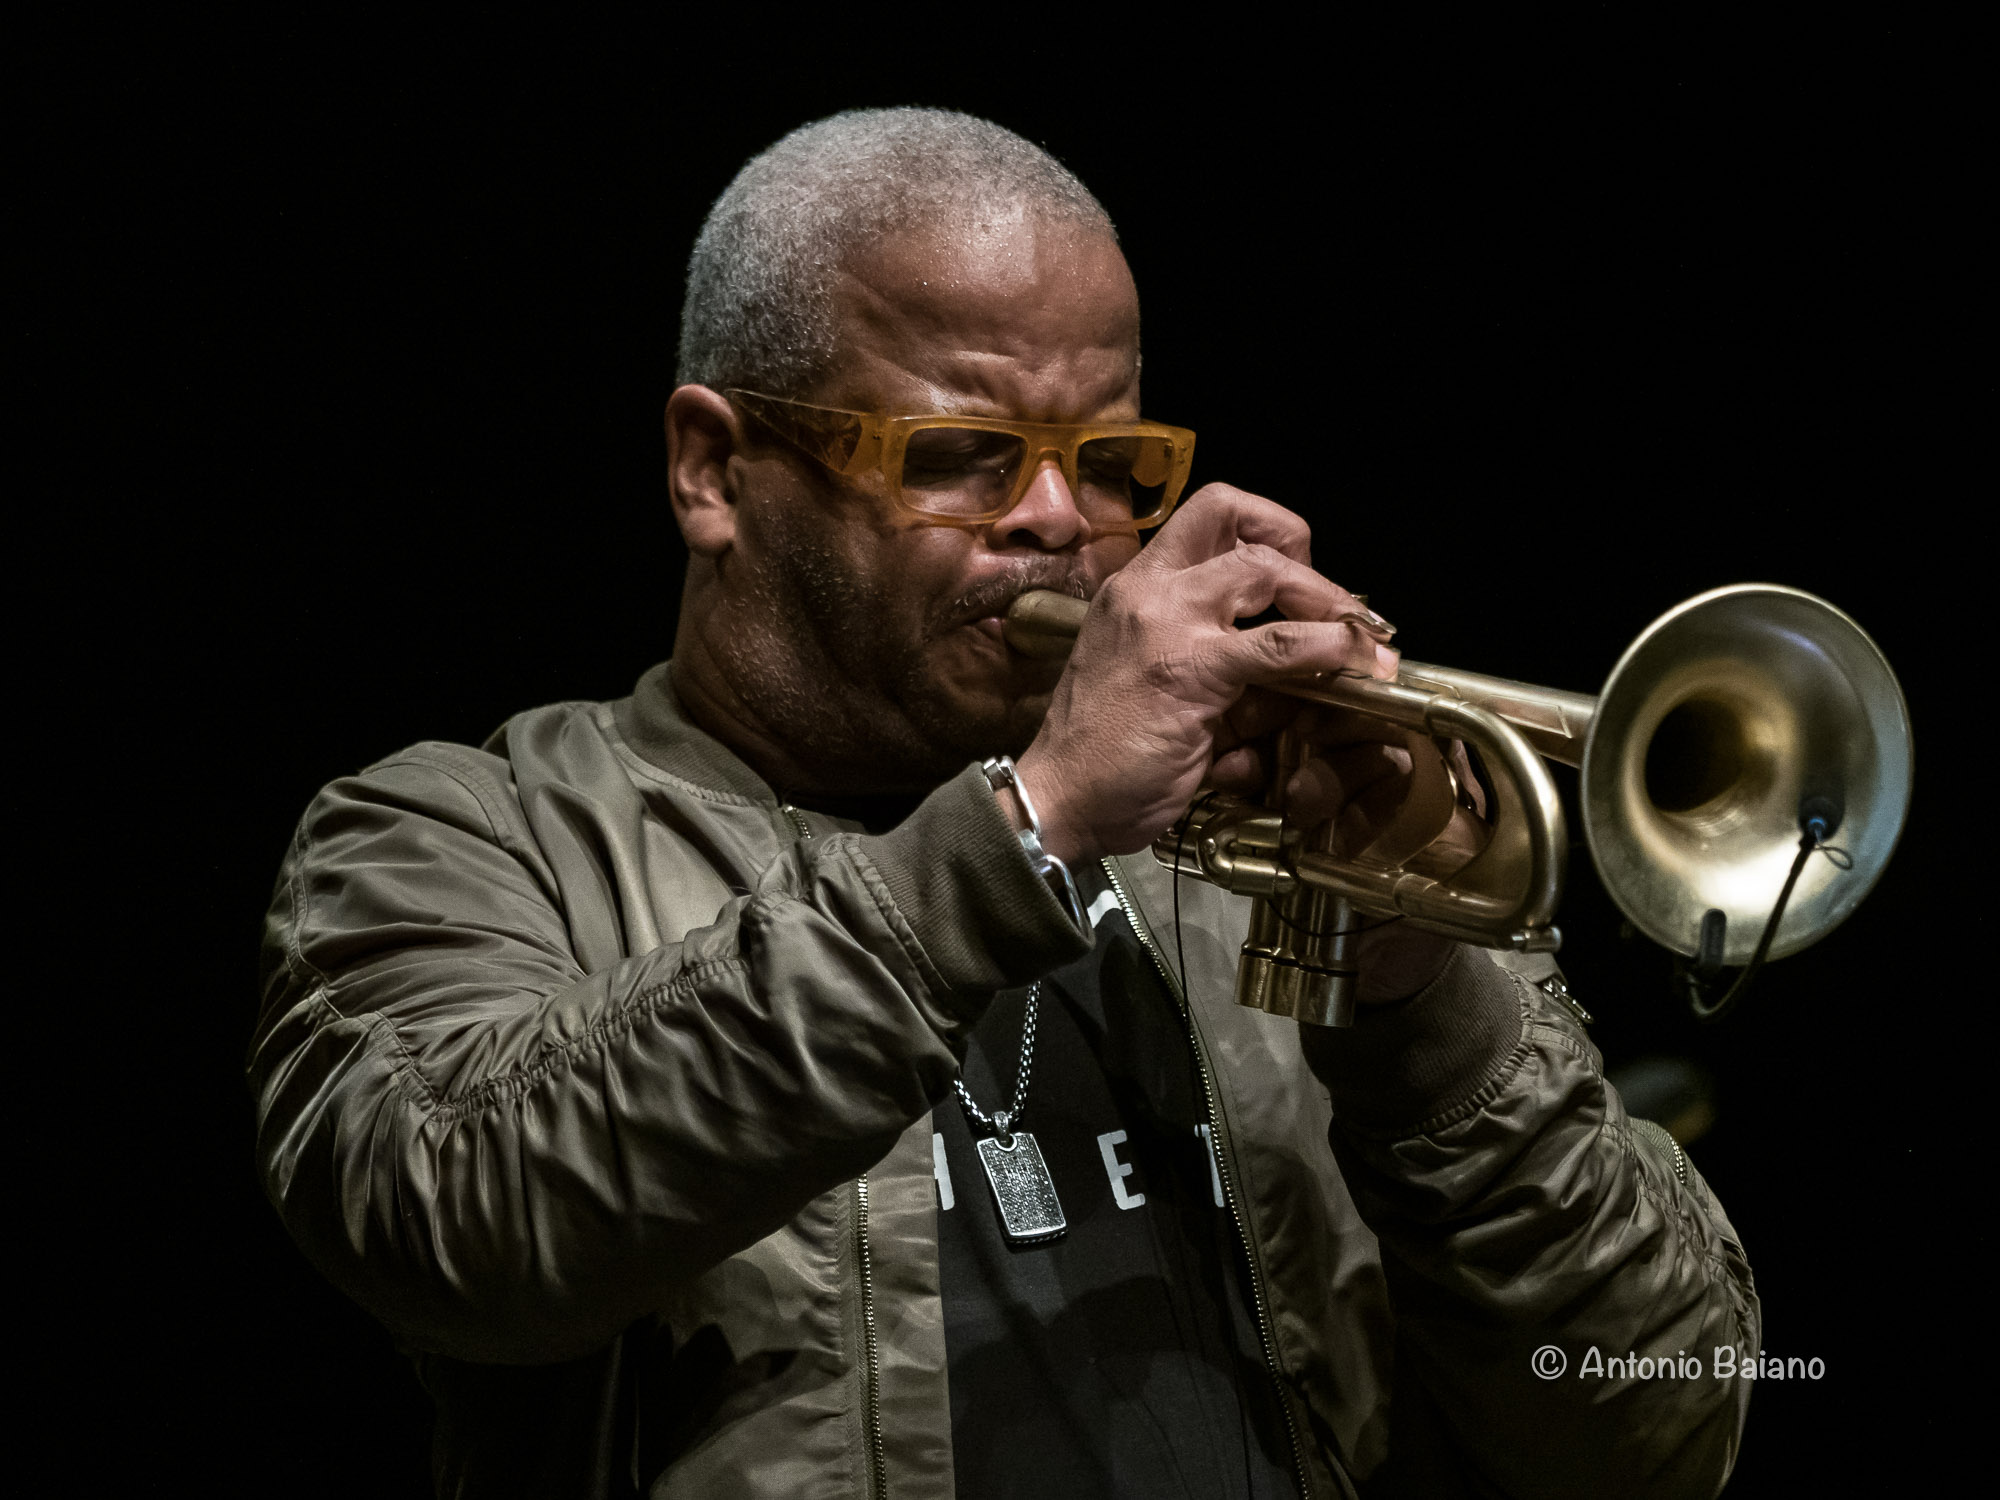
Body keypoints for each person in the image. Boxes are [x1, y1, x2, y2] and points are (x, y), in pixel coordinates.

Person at [251, 108, 1759, 1498]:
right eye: (964, 458)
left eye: (1111, 465)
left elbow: (1664, 1414)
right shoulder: (462, 831)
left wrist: (1419, 1005)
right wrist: (1026, 826)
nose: (1057, 520)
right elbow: (462, 1219)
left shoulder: (1255, 860)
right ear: (714, 469)